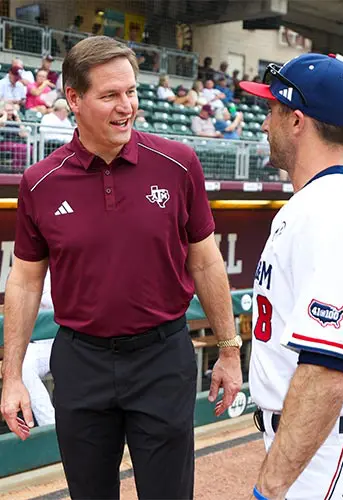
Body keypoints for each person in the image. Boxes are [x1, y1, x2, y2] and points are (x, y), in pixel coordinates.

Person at [0, 35, 242, 500]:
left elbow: (207, 261)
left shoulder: (179, 164)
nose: (125, 106)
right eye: (110, 95)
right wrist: (12, 377)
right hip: (81, 361)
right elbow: (26, 281)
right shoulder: (40, 182)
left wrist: (229, 352)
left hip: (162, 356)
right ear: (74, 98)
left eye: (131, 92)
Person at [239, 53, 343, 500]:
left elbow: (327, 372)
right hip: (321, 445)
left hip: (332, 452)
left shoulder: (337, 214)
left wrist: (269, 488)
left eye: (271, 110)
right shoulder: (321, 204)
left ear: (296, 120)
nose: (265, 124)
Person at [22, 271, 55, 427]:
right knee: (23, 365)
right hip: (42, 343)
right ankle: (51, 427)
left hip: (77, 340)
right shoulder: (31, 267)